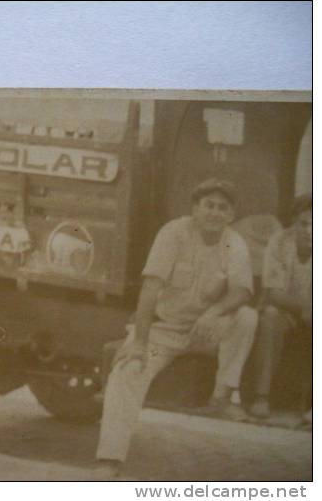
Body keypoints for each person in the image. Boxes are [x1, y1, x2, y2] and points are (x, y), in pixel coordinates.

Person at [96, 178, 258, 473]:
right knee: (128, 369)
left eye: (223, 208)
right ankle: (109, 459)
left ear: (231, 215)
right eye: (208, 205)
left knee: (247, 317)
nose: (215, 213)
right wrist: (140, 343)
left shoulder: (234, 242)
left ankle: (222, 395)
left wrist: (214, 313)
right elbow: (150, 289)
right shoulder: (173, 233)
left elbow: (243, 290)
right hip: (165, 330)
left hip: (205, 331)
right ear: (195, 209)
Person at [250, 194, 312, 422]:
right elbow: (274, 292)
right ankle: (261, 397)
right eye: (303, 223)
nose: (310, 230)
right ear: (293, 222)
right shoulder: (280, 241)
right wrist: (306, 307)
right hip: (284, 308)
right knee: (270, 317)